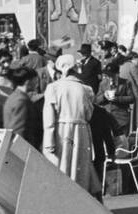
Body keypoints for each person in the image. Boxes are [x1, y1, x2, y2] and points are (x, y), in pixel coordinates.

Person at [42, 54, 101, 196]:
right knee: (81, 170)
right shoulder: (86, 89)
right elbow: (89, 114)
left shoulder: (53, 88)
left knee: (61, 168)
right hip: (81, 132)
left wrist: (49, 141)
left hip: (61, 132)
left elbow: (49, 117)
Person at [3, 65, 42, 149]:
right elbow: (19, 130)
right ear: (28, 82)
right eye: (35, 81)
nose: (37, 84)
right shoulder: (21, 101)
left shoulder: (14, 96)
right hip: (21, 149)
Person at [98, 59, 134, 135]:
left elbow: (131, 98)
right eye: (107, 75)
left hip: (121, 118)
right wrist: (104, 96)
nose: (109, 77)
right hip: (107, 118)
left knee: (122, 143)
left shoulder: (126, 83)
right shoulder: (103, 84)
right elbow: (96, 100)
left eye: (111, 75)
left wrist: (117, 99)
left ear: (117, 74)